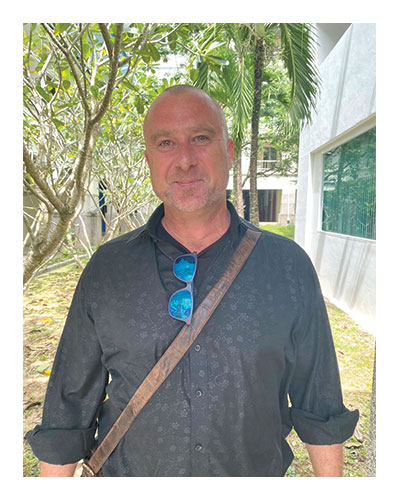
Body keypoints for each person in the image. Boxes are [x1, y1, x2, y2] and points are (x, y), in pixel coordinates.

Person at [26, 85, 358, 477]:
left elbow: (320, 406)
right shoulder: (107, 270)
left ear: (229, 152)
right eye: (166, 143)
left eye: (201, 138)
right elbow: (67, 412)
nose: (184, 160)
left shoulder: (288, 268)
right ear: (149, 160)